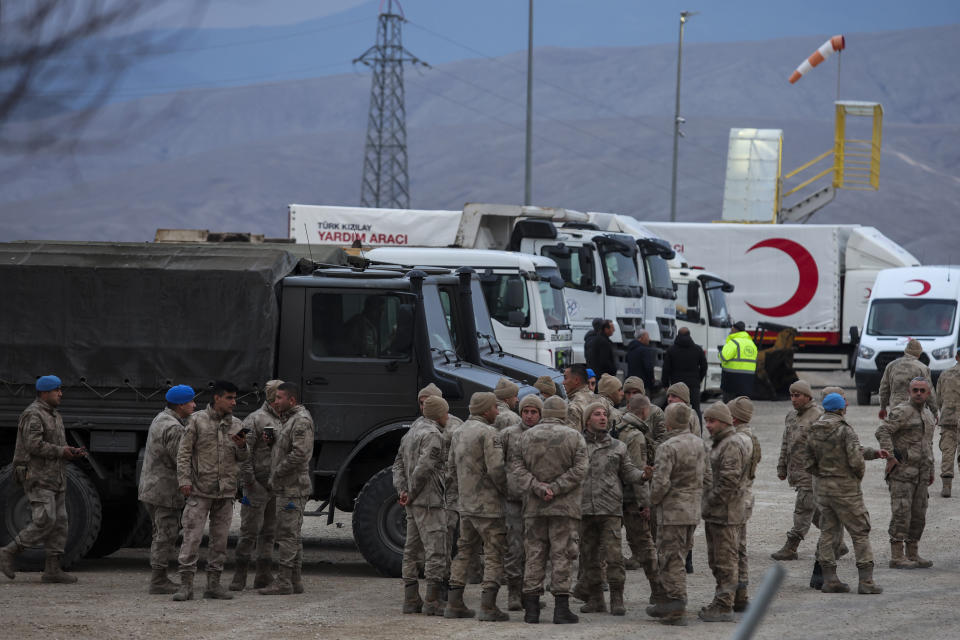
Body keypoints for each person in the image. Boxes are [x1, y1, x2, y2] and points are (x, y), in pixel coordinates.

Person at [1, 375, 87, 583]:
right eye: (57, 390)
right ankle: (9, 551)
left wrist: (71, 451)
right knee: (45, 519)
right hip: (38, 476)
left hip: (55, 476)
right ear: (44, 393)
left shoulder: (54, 415)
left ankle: (52, 570)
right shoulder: (33, 414)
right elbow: (33, 445)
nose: (61, 394)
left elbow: (56, 444)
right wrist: (61, 451)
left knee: (60, 523)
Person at [513, 396, 588, 624]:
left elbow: (516, 468)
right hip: (564, 508)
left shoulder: (525, 437)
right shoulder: (575, 437)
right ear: (564, 413)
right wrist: (556, 488)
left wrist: (538, 487)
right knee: (562, 555)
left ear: (543, 412)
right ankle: (561, 609)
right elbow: (581, 469)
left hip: (534, 508)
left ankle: (532, 610)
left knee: (534, 555)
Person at [173, 380, 249, 601]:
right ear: (217, 398)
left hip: (225, 493)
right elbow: (184, 453)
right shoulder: (196, 421)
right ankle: (185, 585)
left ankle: (213, 585)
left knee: (220, 541)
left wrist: (242, 446)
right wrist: (184, 481)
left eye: (235, 398)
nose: (234, 402)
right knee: (192, 538)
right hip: (199, 490)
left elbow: (244, 458)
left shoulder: (238, 424)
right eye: (229, 398)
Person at [805, 393, 885, 595]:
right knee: (860, 532)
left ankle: (830, 580)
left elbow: (808, 462)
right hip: (846, 490)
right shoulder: (844, 430)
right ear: (841, 408)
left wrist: (823, 475)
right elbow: (856, 461)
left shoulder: (813, 429)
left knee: (828, 532)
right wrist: (856, 478)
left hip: (823, 489)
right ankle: (866, 582)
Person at [444, 392, 509, 622]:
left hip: (466, 504)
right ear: (484, 410)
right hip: (488, 506)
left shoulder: (458, 431)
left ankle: (454, 602)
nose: (497, 412)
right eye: (494, 408)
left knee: (464, 552)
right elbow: (496, 469)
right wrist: (507, 491)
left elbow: (450, 467)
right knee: (494, 552)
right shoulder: (489, 433)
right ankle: (488, 606)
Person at [578, 402, 647, 616]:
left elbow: (629, 473)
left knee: (614, 557)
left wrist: (643, 475)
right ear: (588, 420)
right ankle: (596, 599)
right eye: (597, 415)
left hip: (609, 509)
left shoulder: (618, 446)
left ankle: (617, 598)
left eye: (604, 415)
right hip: (585, 509)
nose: (602, 418)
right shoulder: (578, 445)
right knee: (589, 557)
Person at [645, 403, 706, 626]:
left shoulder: (668, 447)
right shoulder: (699, 444)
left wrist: (651, 501)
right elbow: (706, 475)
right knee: (679, 554)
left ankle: (676, 606)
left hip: (672, 512)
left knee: (672, 559)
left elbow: (661, 482)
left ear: (668, 422)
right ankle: (666, 603)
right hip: (692, 509)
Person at [393, 395, 447, 613]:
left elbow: (397, 464)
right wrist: (412, 492)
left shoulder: (411, 432)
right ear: (437, 413)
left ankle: (410, 598)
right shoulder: (434, 435)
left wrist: (402, 491)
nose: (447, 416)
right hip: (428, 501)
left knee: (411, 549)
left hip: (412, 502)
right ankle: (433, 601)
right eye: (445, 412)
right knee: (436, 549)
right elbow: (424, 468)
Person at [139, 384, 196, 594]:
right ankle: (159, 580)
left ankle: (159, 576)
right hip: (165, 491)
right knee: (166, 534)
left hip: (153, 488)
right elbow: (181, 460)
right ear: (181, 405)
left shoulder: (161, 418)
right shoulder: (173, 428)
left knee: (160, 532)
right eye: (191, 401)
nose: (194, 405)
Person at [259, 382, 314, 596]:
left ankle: (284, 582)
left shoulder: (300, 421)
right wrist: (272, 442)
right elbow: (287, 448)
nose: (275, 401)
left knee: (287, 535)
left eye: (279, 398)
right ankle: (295, 580)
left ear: (291, 400)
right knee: (292, 534)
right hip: (287, 486)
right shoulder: (289, 419)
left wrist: (277, 472)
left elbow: (300, 454)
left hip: (292, 487)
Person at [875, 377, 937, 570]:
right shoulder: (902, 411)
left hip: (922, 473)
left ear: (928, 394)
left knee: (919, 515)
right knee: (902, 513)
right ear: (910, 392)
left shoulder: (927, 414)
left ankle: (913, 553)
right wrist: (890, 456)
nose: (919, 393)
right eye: (915, 390)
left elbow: (928, 444)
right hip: (902, 473)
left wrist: (931, 468)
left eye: (922, 391)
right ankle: (897, 556)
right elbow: (882, 431)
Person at [230, 379, 284, 592]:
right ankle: (239, 576)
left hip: (274, 486)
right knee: (249, 532)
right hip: (257, 486)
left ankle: (263, 575)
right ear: (271, 397)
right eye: (278, 395)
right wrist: (249, 482)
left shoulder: (282, 420)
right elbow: (241, 450)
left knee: (270, 533)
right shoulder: (254, 419)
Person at [699, 402, 748, 622]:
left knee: (724, 561)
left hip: (725, 513)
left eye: (712, 421)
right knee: (720, 559)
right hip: (720, 513)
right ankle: (728, 599)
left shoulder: (730, 444)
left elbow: (729, 481)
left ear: (725, 422)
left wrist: (710, 501)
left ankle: (724, 605)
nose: (708, 425)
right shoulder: (721, 443)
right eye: (706, 421)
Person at [617, 394, 663, 601]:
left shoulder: (617, 427)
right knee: (645, 544)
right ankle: (659, 589)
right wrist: (645, 504)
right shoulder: (635, 436)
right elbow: (639, 471)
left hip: (613, 496)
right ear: (645, 412)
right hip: (630, 499)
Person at [772, 380, 824, 561]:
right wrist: (781, 467)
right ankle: (837, 542)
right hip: (796, 471)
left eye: (798, 395)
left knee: (803, 508)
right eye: (792, 395)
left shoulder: (817, 416)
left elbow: (823, 447)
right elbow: (785, 443)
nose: (794, 399)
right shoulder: (791, 416)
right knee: (815, 511)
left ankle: (791, 546)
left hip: (810, 473)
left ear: (808, 397)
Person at [500, 394, 543, 611]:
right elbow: (498, 463)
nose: (528, 416)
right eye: (525, 411)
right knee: (514, 547)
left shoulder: (543, 436)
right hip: (513, 500)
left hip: (536, 501)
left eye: (533, 412)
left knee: (534, 549)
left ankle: (531, 592)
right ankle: (513, 593)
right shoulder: (508, 434)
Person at [727, 396, 761, 613]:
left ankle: (729, 598)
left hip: (735, 501)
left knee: (730, 551)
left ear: (734, 417)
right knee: (740, 549)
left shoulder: (738, 441)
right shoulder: (752, 437)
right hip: (746, 497)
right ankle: (741, 594)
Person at [878, 339, 937, 419]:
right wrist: (935, 412)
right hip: (916, 412)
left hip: (896, 410)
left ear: (906, 351)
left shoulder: (891, 366)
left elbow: (884, 389)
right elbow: (929, 392)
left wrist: (883, 408)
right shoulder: (923, 368)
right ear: (919, 353)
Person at [662, 327, 707, 418]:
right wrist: (699, 379)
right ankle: (698, 431)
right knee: (695, 409)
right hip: (693, 384)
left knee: (675, 409)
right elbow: (704, 366)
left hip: (676, 385)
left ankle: (677, 429)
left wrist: (665, 384)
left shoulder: (671, 350)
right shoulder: (697, 349)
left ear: (678, 335)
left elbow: (666, 369)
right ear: (689, 335)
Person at [935, 350, 960, 496]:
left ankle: (946, 486)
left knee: (948, 451)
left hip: (948, 418)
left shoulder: (945, 375)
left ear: (957, 357)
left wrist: (943, 410)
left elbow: (938, 397)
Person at [719, 321, 757, 402]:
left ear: (736, 330)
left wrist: (720, 352)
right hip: (748, 381)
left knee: (728, 407)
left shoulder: (734, 342)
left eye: (732, 329)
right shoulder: (752, 344)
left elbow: (724, 356)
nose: (730, 331)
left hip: (731, 380)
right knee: (742, 406)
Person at [563, 364, 595, 430]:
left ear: (576, 380)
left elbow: (572, 437)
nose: (563, 382)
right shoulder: (600, 399)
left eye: (565, 378)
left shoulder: (573, 408)